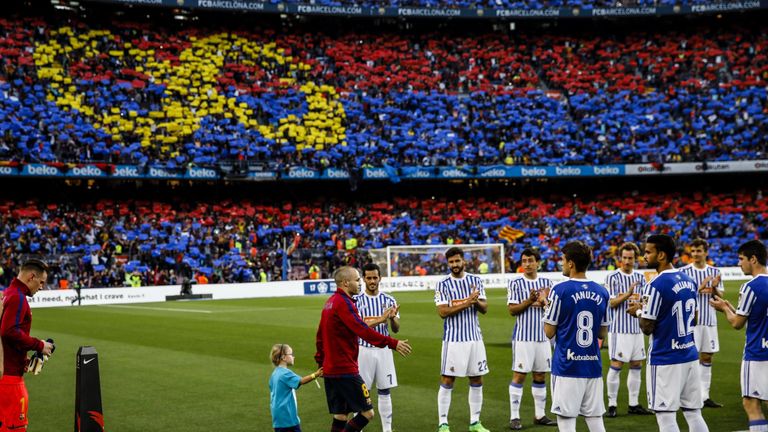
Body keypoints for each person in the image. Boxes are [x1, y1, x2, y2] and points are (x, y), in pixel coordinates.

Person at [626, 234, 709, 432]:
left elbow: (647, 327)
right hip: (689, 355)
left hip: (665, 359)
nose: (644, 256)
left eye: (648, 252)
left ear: (661, 255)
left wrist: (637, 311)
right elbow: (695, 319)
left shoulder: (655, 285)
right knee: (693, 413)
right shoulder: (689, 281)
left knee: (665, 416)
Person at [315, 266, 411, 432]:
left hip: (332, 370)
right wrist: (392, 343)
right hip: (344, 369)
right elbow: (362, 330)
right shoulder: (343, 303)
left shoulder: (329, 302)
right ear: (346, 282)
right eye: (357, 279)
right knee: (367, 413)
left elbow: (319, 336)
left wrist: (320, 361)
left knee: (341, 415)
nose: (360, 283)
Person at [543, 241, 610, 432]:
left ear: (571, 263)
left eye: (563, 260)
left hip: (567, 366)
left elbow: (549, 332)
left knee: (566, 421)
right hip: (592, 365)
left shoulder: (560, 290)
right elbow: (602, 333)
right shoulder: (602, 292)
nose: (562, 264)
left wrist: (546, 307)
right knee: (596, 420)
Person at [710, 240, 768, 432]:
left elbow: (737, 323)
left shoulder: (750, 287)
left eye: (741, 259)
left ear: (753, 259)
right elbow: (753, 317)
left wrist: (724, 309)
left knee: (751, 403)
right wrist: (728, 307)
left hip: (758, 354)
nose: (738, 264)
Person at [434, 247, 490, 432]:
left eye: (457, 261)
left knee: (476, 379)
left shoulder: (476, 281)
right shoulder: (443, 284)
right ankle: (443, 423)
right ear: (447, 263)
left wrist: (476, 302)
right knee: (448, 380)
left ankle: (475, 422)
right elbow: (443, 312)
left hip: (474, 338)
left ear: (463, 261)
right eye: (451, 262)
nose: (455, 265)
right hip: (454, 340)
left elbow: (484, 308)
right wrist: (467, 302)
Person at [0, 259, 56, 432]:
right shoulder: (18, 297)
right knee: (15, 428)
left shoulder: (8, 293)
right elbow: (9, 331)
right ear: (32, 277)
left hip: (6, 373)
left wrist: (23, 360)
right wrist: (39, 345)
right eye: (41, 282)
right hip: (10, 381)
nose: (41, 287)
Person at [507, 248, 557, 430]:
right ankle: (514, 417)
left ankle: (540, 415)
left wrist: (545, 301)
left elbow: (553, 310)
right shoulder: (516, 283)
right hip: (523, 338)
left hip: (543, 338)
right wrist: (529, 301)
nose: (527, 264)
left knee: (540, 375)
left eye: (530, 260)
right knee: (519, 375)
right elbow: (512, 310)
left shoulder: (547, 283)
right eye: (524, 261)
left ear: (538, 262)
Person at [604, 243, 653, 417]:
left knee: (636, 365)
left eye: (630, 258)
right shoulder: (613, 277)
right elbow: (611, 303)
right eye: (624, 258)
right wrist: (628, 293)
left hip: (637, 329)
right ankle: (611, 405)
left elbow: (646, 302)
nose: (626, 261)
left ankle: (634, 404)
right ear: (619, 258)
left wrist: (641, 305)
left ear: (635, 259)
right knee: (616, 365)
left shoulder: (641, 277)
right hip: (619, 329)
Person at [354, 263, 400, 432]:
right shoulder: (356, 301)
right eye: (369, 278)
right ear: (364, 279)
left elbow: (396, 329)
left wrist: (393, 318)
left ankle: (387, 429)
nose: (372, 281)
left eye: (375, 277)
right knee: (360, 392)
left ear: (380, 278)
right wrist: (381, 319)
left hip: (383, 350)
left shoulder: (389, 300)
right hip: (363, 350)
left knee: (385, 389)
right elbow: (359, 327)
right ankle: (357, 428)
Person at [680, 238, 724, 408]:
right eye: (693, 251)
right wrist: (700, 286)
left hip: (709, 320)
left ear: (706, 252)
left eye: (699, 251)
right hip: (691, 323)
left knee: (707, 357)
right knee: (689, 357)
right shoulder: (684, 271)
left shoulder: (715, 271)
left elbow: (720, 296)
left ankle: (705, 396)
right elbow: (682, 296)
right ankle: (688, 395)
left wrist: (713, 288)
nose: (696, 254)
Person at [269, 343, 323, 432]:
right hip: (287, 417)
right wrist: (315, 374)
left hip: (278, 418)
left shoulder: (274, 374)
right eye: (291, 354)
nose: (293, 356)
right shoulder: (285, 373)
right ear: (283, 357)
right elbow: (301, 381)